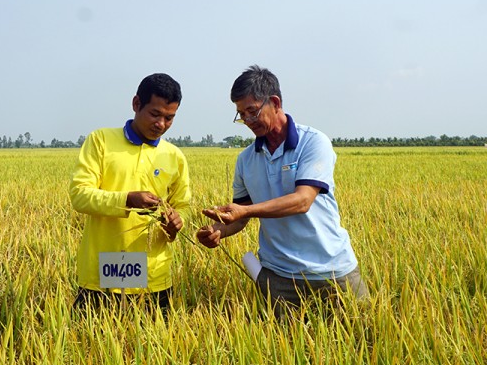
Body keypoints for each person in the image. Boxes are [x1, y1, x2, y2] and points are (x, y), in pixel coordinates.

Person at [197, 65, 368, 318]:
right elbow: (241, 217)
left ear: (275, 102)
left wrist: (245, 210)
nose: (247, 121)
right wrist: (219, 231)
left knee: (361, 340)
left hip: (332, 271)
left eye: (252, 111)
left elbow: (302, 201)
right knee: (282, 350)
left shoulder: (313, 142)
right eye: (241, 114)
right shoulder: (246, 160)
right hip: (278, 277)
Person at [69, 73, 191, 312]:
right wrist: (127, 199)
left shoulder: (175, 156)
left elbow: (182, 205)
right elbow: (80, 195)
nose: (161, 124)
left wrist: (178, 221)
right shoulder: (101, 141)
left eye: (169, 118)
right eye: (155, 114)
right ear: (136, 104)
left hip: (154, 276)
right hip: (103, 273)